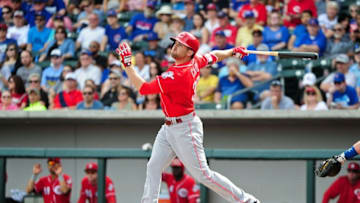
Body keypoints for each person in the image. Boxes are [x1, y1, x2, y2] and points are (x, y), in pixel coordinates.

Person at [115, 31, 260, 203]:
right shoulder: (195, 61)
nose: (175, 45)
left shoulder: (177, 75)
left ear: (189, 52)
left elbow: (143, 88)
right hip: (169, 126)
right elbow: (214, 55)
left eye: (180, 44)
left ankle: (246, 200)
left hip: (185, 127)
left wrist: (128, 65)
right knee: (154, 166)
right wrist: (231, 52)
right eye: (175, 42)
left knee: (203, 175)